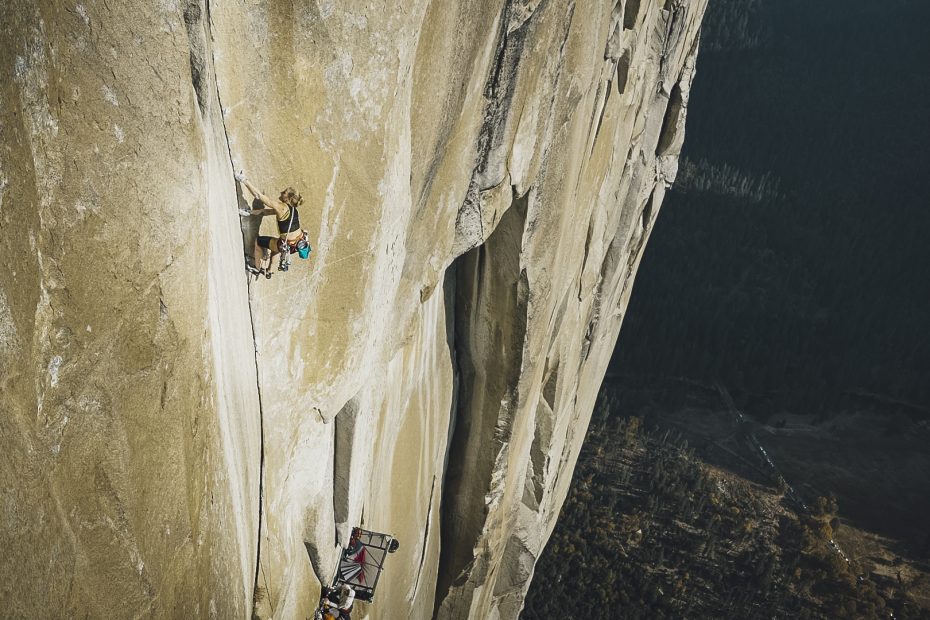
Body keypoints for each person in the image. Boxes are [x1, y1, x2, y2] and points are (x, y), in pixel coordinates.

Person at [236, 171, 311, 278]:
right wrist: (249, 213)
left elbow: (259, 196)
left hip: (287, 244)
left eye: (284, 192)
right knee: (277, 246)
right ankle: (270, 270)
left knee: (259, 242)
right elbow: (266, 212)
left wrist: (244, 180)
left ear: (288, 198)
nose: (281, 192)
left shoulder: (282, 207)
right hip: (296, 244)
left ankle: (256, 268)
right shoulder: (293, 210)